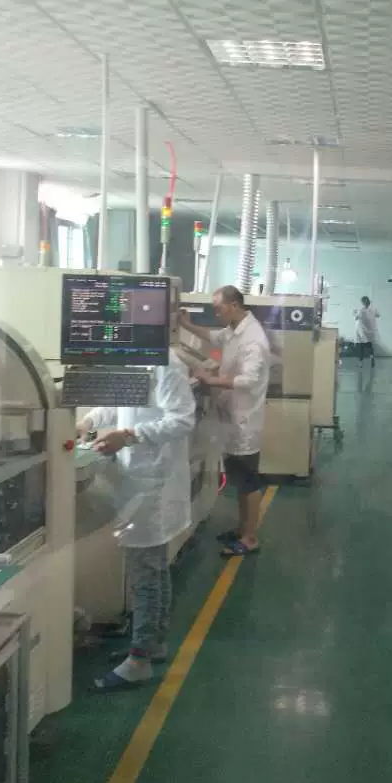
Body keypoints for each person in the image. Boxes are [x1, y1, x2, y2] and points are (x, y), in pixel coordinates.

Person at [84, 352, 196, 692]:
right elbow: (121, 402)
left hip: (152, 484)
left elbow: (182, 420)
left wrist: (129, 436)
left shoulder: (167, 363)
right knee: (155, 568)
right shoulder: (133, 356)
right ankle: (152, 643)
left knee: (146, 573)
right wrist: (87, 422)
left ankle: (138, 662)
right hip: (138, 480)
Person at [196, 285, 271, 557]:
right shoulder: (234, 329)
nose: (216, 314)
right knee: (240, 480)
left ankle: (250, 539)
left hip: (244, 421)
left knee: (249, 482)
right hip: (232, 417)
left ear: (234, 306)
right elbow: (215, 337)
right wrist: (185, 324)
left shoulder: (253, 339)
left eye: (219, 309)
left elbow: (248, 380)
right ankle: (242, 529)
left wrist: (211, 380)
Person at [353, 295, 380, 363]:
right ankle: (371, 356)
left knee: (361, 346)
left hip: (361, 330)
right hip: (370, 330)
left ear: (362, 302)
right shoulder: (373, 309)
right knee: (369, 344)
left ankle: (361, 362)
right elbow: (378, 315)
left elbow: (356, 318)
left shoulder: (361, 310)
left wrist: (354, 312)